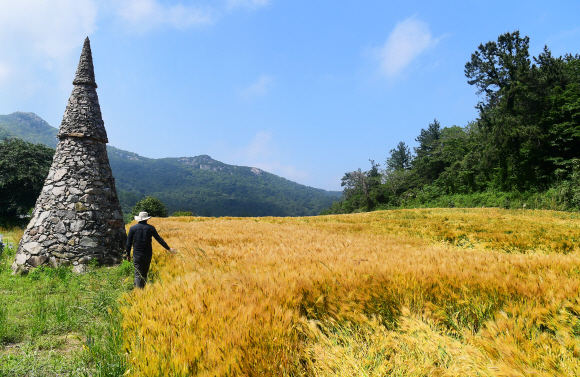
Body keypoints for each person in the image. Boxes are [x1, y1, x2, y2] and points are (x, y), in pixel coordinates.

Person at [126, 211, 176, 288]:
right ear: (146, 219)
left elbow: (128, 243)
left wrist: (128, 255)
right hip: (147, 254)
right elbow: (159, 240)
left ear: (139, 219)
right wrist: (169, 249)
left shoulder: (133, 228)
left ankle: (138, 293)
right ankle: (142, 291)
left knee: (138, 274)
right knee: (144, 273)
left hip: (137, 255)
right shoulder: (151, 228)